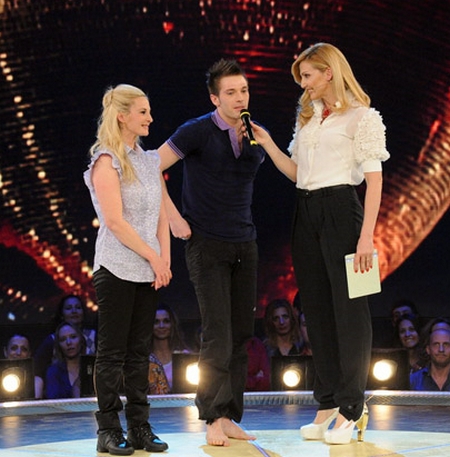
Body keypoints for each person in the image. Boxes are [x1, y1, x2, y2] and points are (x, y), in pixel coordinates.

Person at [250, 42, 389, 445]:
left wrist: (366, 237)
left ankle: (351, 406)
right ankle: (326, 401)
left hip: (343, 211)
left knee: (350, 312)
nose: (304, 85)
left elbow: (374, 181)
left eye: (308, 76)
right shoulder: (307, 117)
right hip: (306, 211)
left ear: (329, 73)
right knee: (316, 311)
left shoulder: (362, 117)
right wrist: (269, 144)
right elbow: (299, 174)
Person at [158, 58, 266, 446]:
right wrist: (173, 217)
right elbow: (151, 166)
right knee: (217, 333)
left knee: (241, 334)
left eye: (244, 91)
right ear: (215, 98)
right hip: (206, 243)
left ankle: (230, 414)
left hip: (244, 242)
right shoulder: (197, 130)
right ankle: (211, 415)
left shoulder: (255, 133)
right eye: (231, 92)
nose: (240, 98)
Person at [83, 84, 171, 455]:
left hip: (148, 268)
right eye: (142, 112)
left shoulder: (149, 161)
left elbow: (161, 214)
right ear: (122, 116)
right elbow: (115, 222)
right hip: (116, 266)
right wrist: (153, 256)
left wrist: (164, 258)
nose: (150, 118)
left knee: (139, 353)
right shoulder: (106, 161)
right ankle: (108, 429)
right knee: (112, 353)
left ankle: (139, 427)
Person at [34, 294, 96, 380]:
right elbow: (37, 369)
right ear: (62, 314)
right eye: (69, 308)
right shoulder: (52, 340)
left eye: (78, 307)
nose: (74, 311)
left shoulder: (93, 336)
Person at [148, 303, 190, 395]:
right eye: (156, 322)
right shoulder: (143, 359)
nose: (161, 326)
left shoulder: (185, 357)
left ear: (172, 324)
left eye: (166, 321)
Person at [45, 321, 85, 399]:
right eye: (63, 339)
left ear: (81, 339)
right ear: (58, 345)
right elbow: (53, 402)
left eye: (73, 337)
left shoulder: (91, 368)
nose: (68, 342)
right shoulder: (53, 371)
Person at [3, 334, 44, 399]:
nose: (18, 353)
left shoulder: (36, 381)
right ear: (5, 351)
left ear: (29, 354)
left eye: (24, 349)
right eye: (14, 348)